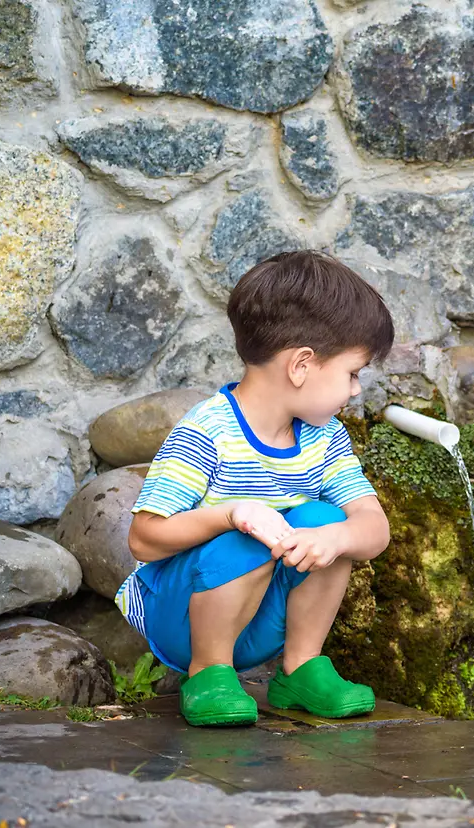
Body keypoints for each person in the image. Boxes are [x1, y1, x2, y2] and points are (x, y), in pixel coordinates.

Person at [115, 250, 394, 726]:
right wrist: (231, 514)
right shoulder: (207, 432)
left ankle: (300, 668)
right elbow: (144, 538)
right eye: (352, 373)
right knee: (247, 535)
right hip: (182, 621)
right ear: (302, 365)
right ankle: (208, 674)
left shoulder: (324, 438)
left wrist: (336, 538)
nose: (354, 391)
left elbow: (375, 529)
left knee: (328, 522)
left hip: (262, 620)